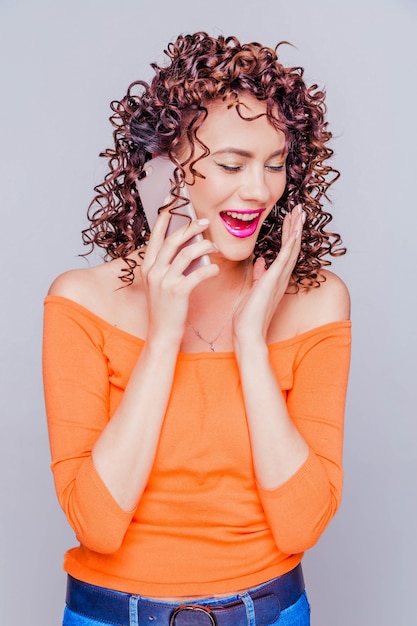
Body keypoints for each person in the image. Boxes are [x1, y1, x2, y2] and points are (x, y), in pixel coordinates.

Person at [43, 32, 351, 626]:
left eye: (276, 163)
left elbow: (302, 523)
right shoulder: (82, 302)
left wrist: (251, 346)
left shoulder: (318, 304)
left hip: (271, 612)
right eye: (231, 164)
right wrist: (163, 337)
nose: (259, 190)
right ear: (162, 170)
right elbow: (99, 525)